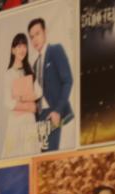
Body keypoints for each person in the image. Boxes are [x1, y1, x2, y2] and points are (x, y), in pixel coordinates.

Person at [28, 17, 73, 151]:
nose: (34, 40)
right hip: (40, 117)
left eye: (37, 34)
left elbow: (68, 80)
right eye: (31, 37)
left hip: (54, 113)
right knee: (43, 154)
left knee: (51, 154)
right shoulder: (35, 64)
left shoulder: (55, 50)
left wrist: (57, 111)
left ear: (45, 32)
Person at [2, 33, 42, 157]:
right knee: (16, 154)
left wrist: (21, 98)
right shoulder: (9, 74)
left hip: (29, 121)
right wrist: (29, 106)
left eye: (24, 46)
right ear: (13, 50)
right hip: (16, 121)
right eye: (19, 46)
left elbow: (39, 92)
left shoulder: (29, 71)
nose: (22, 49)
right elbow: (8, 102)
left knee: (31, 154)